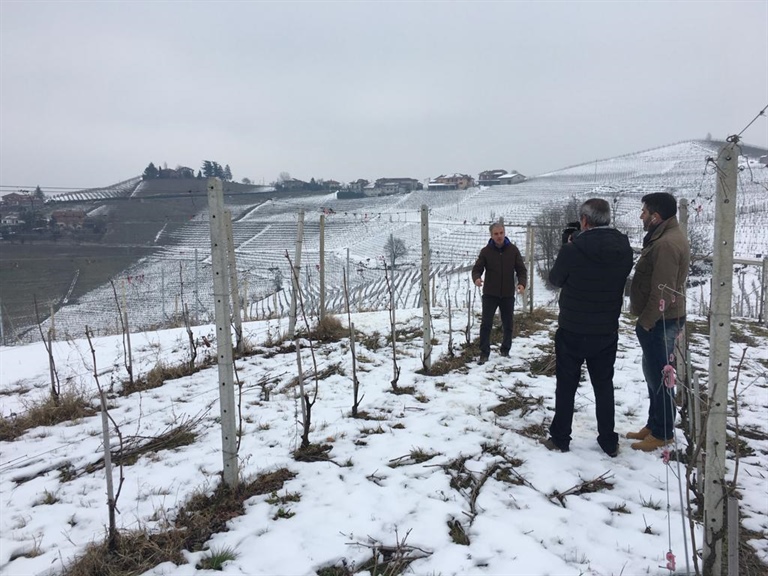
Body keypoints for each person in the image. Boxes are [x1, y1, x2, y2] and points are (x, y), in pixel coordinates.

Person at [542, 199, 633, 456]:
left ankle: (561, 438)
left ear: (584, 220)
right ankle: (608, 441)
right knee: (604, 385)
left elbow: (556, 279)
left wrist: (567, 247)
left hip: (572, 328)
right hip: (606, 328)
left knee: (567, 385)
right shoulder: (624, 250)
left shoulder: (573, 250)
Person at [628, 192, 690, 451]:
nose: (641, 216)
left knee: (660, 376)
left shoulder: (665, 244)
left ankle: (663, 432)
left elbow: (663, 290)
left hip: (661, 320)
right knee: (653, 374)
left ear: (656, 216)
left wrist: (647, 321)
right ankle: (654, 425)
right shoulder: (664, 237)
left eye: (644, 212)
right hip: (660, 319)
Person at [471, 222, 527, 364]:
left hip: (508, 294)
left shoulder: (513, 250)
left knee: (508, 324)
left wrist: (521, 283)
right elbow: (477, 269)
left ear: (504, 233)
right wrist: (477, 278)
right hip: (490, 293)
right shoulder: (486, 252)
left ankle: (505, 350)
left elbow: (521, 270)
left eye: (501, 233)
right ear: (491, 235)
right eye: (496, 234)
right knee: (486, 324)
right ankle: (484, 353)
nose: (499, 236)